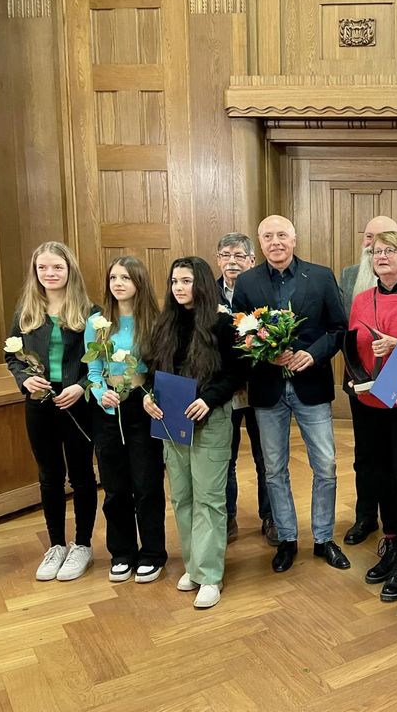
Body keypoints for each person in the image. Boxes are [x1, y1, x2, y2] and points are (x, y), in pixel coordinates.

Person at [232, 215, 351, 573]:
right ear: (260, 243)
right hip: (267, 389)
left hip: (311, 384)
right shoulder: (247, 282)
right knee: (274, 469)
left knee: (326, 465)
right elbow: (239, 333)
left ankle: (323, 538)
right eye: (268, 236)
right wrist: (264, 353)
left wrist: (313, 354)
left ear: (294, 239)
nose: (275, 242)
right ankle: (286, 539)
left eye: (281, 235)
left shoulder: (321, 276)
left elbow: (339, 328)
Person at [142, 257, 245, 609]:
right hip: (171, 420)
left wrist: (209, 399)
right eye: (174, 281)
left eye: (186, 281)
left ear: (200, 283)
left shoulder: (222, 324)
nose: (179, 288)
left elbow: (236, 373)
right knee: (182, 497)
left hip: (210, 419)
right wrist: (148, 398)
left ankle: (211, 575)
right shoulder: (165, 324)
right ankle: (195, 566)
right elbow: (153, 372)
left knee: (209, 498)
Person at [6, 241, 98, 582]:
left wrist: (82, 386)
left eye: (57, 267)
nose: (50, 273)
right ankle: (57, 545)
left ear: (69, 270)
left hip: (76, 403)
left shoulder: (90, 311)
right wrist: (25, 380)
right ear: (35, 272)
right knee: (49, 476)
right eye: (42, 267)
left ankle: (83, 545)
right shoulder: (26, 311)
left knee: (82, 475)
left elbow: (101, 360)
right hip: (40, 405)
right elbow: (12, 356)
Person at [348, 229, 397, 601]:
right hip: (369, 398)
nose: (382, 256)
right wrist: (357, 379)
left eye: (390, 250)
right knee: (377, 473)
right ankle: (391, 541)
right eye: (377, 251)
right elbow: (354, 342)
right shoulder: (362, 298)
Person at [85, 256, 166, 584]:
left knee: (147, 484)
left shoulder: (154, 322)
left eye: (126, 278)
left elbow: (160, 369)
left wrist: (150, 393)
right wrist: (100, 392)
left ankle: (153, 553)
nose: (118, 283)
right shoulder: (98, 322)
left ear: (139, 282)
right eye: (113, 278)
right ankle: (122, 552)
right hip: (108, 409)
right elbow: (92, 371)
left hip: (141, 407)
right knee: (115, 486)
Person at [214, 233, 274, 545]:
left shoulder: (263, 290)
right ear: (218, 260)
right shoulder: (207, 293)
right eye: (226, 255)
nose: (232, 261)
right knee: (226, 456)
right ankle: (227, 516)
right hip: (225, 390)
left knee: (266, 456)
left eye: (239, 255)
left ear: (251, 260)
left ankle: (271, 516)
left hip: (260, 384)